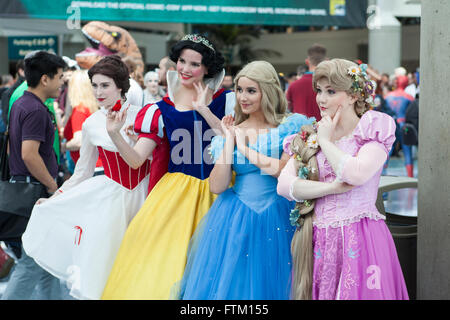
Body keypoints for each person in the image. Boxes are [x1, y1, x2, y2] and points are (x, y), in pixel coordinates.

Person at [101, 34, 235, 300]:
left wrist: (205, 110)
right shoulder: (159, 110)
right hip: (177, 195)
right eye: (182, 61)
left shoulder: (228, 101)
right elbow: (137, 159)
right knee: (167, 266)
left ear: (207, 68)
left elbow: (238, 140)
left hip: (222, 191)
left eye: (194, 64)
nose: (185, 69)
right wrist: (115, 134)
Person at [176, 61, 314, 300]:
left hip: (280, 212)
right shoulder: (231, 131)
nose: (243, 97)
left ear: (268, 91)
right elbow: (217, 186)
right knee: (235, 285)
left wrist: (244, 147)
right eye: (239, 90)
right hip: (235, 217)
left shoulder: (290, 126)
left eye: (251, 90)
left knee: (278, 281)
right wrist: (229, 141)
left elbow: (282, 172)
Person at [277, 59, 409, 300]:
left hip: (362, 238)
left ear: (352, 96)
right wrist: (331, 188)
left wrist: (326, 142)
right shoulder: (310, 137)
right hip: (319, 240)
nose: (321, 99)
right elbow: (285, 185)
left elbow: (356, 174)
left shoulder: (371, 130)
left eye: (331, 91)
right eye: (319, 90)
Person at [21, 55, 150, 300]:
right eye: (95, 85)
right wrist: (55, 197)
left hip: (147, 197)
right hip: (112, 205)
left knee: (144, 267)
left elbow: (149, 160)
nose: (98, 92)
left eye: (105, 85)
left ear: (120, 86)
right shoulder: (92, 123)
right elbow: (82, 173)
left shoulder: (144, 116)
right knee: (108, 270)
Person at [1, 51, 66, 300]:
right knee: (32, 262)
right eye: (59, 77)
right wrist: (52, 186)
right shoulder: (36, 110)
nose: (62, 83)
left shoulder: (21, 103)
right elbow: (29, 154)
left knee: (45, 261)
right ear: (46, 79)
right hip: (34, 193)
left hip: (25, 189)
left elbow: (11, 150)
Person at [62, 69, 102, 170]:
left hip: (90, 168)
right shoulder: (93, 108)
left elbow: (78, 141)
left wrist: (62, 147)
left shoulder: (80, 110)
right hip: (98, 166)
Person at [286, 43, 327, 121]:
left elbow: (289, 109)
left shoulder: (293, 85)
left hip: (300, 131)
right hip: (325, 128)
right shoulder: (330, 85)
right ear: (326, 61)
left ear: (307, 61)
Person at [385, 75, 415, 177]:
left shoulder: (387, 96)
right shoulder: (409, 97)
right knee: (407, 151)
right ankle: (410, 177)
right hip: (404, 126)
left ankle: (381, 176)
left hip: (390, 125)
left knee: (387, 151)